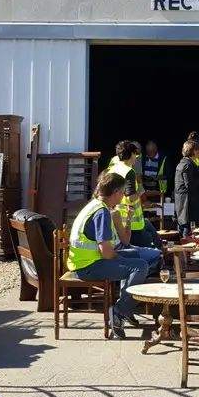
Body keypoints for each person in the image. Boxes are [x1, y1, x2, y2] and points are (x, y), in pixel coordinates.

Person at [67, 172, 149, 339]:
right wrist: (124, 260)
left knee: (134, 257)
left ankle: (126, 307)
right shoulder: (102, 213)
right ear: (116, 193)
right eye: (123, 192)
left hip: (84, 261)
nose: (124, 196)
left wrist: (125, 258)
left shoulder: (95, 206)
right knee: (140, 266)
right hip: (88, 266)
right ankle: (120, 312)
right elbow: (106, 253)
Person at [108, 141, 160, 249]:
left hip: (116, 220)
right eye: (135, 154)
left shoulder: (112, 170)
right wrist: (141, 191)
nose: (136, 157)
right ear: (131, 154)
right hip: (132, 222)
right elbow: (130, 197)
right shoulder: (129, 171)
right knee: (145, 251)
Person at [174, 139, 199, 237]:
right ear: (195, 151)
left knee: (185, 228)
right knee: (188, 231)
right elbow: (190, 185)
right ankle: (186, 251)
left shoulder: (183, 163)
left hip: (183, 204)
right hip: (188, 206)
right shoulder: (187, 164)